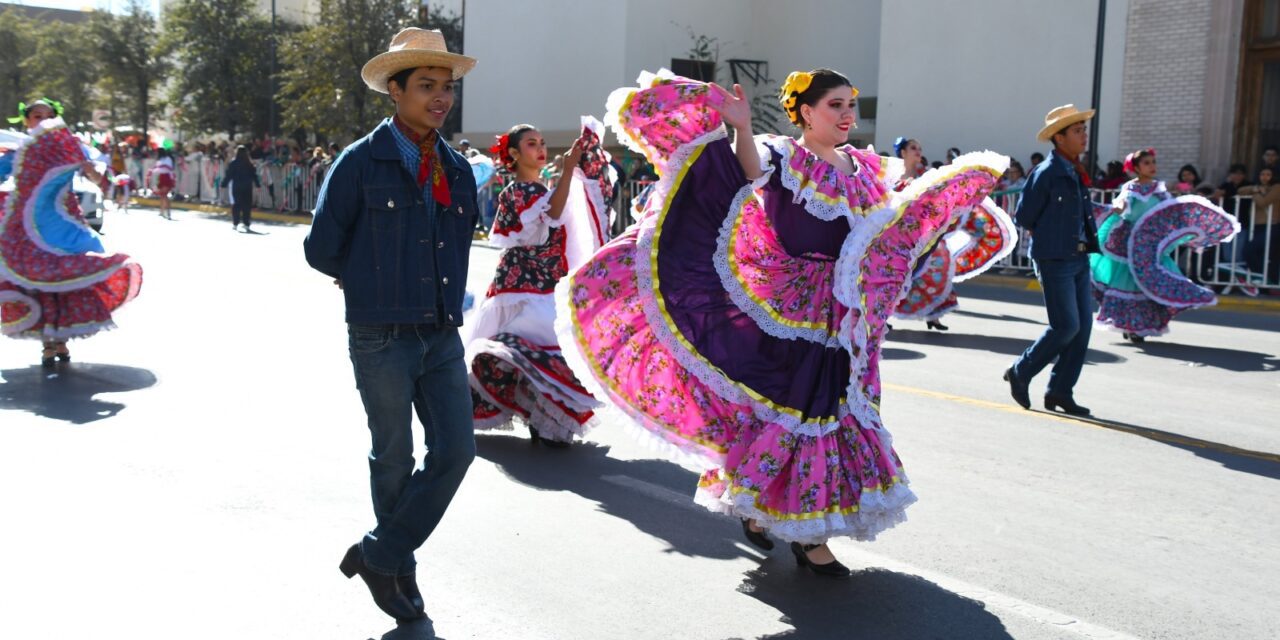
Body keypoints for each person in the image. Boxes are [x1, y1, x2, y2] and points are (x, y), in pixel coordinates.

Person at [557, 69, 1006, 577]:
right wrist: (742, 128)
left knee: (833, 406)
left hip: (844, 309)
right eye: (834, 104)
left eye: (849, 104)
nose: (845, 114)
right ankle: (802, 534)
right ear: (806, 112)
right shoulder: (784, 154)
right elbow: (749, 172)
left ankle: (768, 507)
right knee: (799, 405)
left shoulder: (863, 166)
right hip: (788, 303)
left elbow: (883, 228)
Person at [303, 27, 479, 622]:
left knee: (457, 450)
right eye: (426, 86)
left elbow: (455, 244)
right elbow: (322, 248)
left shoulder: (455, 169)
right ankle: (399, 571)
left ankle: (383, 552)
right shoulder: (359, 162)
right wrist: (368, 279)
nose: (440, 98)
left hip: (440, 332)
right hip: (380, 333)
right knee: (394, 457)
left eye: (446, 87)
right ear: (395, 90)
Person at [464, 119, 613, 446]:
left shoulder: (538, 190)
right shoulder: (520, 191)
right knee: (536, 346)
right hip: (523, 288)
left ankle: (543, 417)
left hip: (541, 284)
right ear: (514, 154)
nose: (541, 148)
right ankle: (544, 417)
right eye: (532, 143)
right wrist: (569, 168)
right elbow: (554, 215)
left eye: (542, 141)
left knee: (538, 350)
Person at [0, 99, 143, 366]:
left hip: (63, 223)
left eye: (48, 115)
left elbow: (99, 179)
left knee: (65, 277)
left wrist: (95, 174)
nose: (42, 120)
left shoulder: (68, 147)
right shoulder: (19, 152)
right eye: (36, 116)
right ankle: (48, 343)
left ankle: (59, 340)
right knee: (39, 280)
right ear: (26, 121)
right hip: (27, 228)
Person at [1004, 104, 1102, 416]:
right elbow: (1024, 216)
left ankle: (1060, 391)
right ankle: (1021, 370)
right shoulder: (1046, 173)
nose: (1083, 136)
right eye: (1077, 131)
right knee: (1066, 326)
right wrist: (1053, 239)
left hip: (1079, 257)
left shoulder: (1075, 170)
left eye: (1083, 129)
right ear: (1059, 138)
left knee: (1082, 328)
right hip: (1054, 258)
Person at [1089, 149, 1239, 342]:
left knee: (1150, 284)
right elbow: (1121, 207)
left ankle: (1139, 326)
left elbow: (1169, 211)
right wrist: (1110, 209)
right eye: (1147, 163)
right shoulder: (1130, 188)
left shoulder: (1159, 189)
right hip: (1129, 244)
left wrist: (1190, 226)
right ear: (1136, 168)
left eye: (1153, 162)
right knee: (1130, 286)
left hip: (1150, 245)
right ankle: (1129, 325)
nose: (1152, 166)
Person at [891, 135, 1018, 331]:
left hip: (928, 235)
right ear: (903, 152)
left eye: (919, 147)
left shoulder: (927, 176)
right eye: (913, 147)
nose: (918, 151)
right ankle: (884, 317)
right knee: (895, 276)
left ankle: (933, 316)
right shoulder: (893, 176)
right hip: (903, 238)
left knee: (939, 267)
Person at [1239, 166, 1280, 285]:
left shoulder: (1277, 187)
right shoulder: (1257, 187)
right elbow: (1241, 190)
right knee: (1260, 254)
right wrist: (1256, 189)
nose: (1265, 177)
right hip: (1257, 226)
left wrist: (1255, 192)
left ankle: (1261, 275)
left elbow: (1263, 202)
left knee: (1250, 250)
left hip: (1272, 225)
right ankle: (1264, 281)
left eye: (1268, 174)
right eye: (1262, 174)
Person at [224, 145, 259, 232]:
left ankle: (235, 223)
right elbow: (254, 175)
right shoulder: (249, 164)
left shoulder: (234, 163)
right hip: (247, 187)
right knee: (247, 205)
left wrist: (223, 184)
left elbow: (229, 175)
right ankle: (246, 223)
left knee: (236, 205)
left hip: (237, 186)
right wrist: (258, 185)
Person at [147, 148, 176, 220]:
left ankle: (168, 212)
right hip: (161, 177)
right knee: (162, 195)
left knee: (165, 194)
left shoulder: (168, 159)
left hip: (167, 177)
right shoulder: (160, 160)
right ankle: (162, 211)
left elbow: (168, 168)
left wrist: (155, 170)